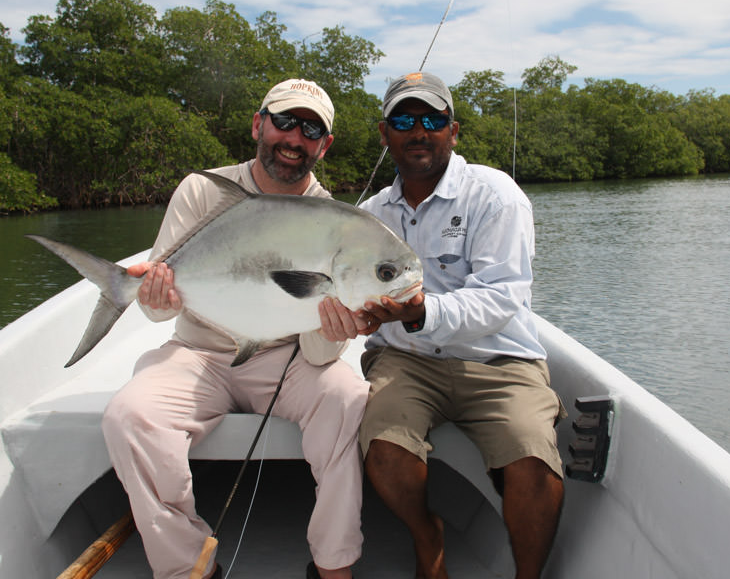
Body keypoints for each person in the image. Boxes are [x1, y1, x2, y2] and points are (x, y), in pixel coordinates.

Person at [102, 79, 368, 579]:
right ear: (258, 124)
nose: (294, 138)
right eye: (284, 121)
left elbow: (317, 355)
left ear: (325, 145)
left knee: (346, 397)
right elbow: (159, 314)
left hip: (287, 358)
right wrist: (154, 296)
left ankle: (334, 565)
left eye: (311, 130)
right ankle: (187, 568)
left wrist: (335, 328)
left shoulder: (333, 220)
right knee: (130, 415)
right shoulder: (202, 190)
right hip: (198, 352)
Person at [331, 71, 567, 579]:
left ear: (453, 131)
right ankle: (427, 537)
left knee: (531, 455)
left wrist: (422, 313)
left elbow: (502, 297)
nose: (419, 131)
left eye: (432, 120)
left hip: (499, 359)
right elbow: (350, 297)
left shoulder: (495, 195)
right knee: (384, 447)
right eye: (403, 121)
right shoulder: (368, 216)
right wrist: (355, 317)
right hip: (406, 360)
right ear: (384, 134)